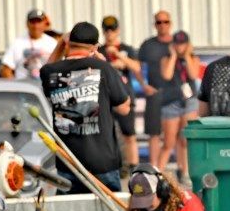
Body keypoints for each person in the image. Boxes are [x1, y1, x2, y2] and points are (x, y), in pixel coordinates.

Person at [40, 22, 130, 194]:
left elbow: (46, 69)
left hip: (69, 163)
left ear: (68, 43)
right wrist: (107, 67)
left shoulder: (50, 71)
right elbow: (124, 108)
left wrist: (60, 45)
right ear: (95, 47)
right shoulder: (103, 68)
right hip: (102, 162)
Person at [155, 30, 204, 180]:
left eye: (183, 44)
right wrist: (174, 56)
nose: (180, 47)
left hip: (189, 102)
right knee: (169, 142)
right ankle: (158, 174)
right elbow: (167, 75)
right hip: (171, 103)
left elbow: (193, 75)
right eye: (177, 44)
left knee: (185, 140)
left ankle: (184, 171)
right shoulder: (166, 59)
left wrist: (187, 55)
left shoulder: (193, 58)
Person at [100, 15, 141, 169]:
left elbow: (136, 68)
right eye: (107, 30)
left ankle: (133, 166)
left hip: (124, 96)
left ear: (118, 30)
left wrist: (118, 56)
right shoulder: (100, 50)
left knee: (129, 134)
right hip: (106, 98)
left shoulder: (126, 49)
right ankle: (114, 165)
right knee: (107, 135)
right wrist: (112, 65)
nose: (110, 33)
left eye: (112, 30)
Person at [138, 11, 175, 166]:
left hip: (174, 95)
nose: (162, 25)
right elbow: (137, 67)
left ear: (170, 23)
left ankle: (182, 170)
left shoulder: (177, 43)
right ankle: (154, 169)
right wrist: (143, 85)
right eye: (159, 22)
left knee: (177, 136)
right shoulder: (148, 45)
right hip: (155, 93)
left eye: (165, 22)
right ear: (155, 25)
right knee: (153, 133)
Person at [0, 9, 59, 80]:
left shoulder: (52, 43)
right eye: (32, 22)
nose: (36, 26)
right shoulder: (17, 43)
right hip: (24, 87)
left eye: (39, 22)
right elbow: (5, 69)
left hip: (46, 86)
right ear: (27, 24)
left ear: (44, 24)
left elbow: (59, 67)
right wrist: (15, 86)